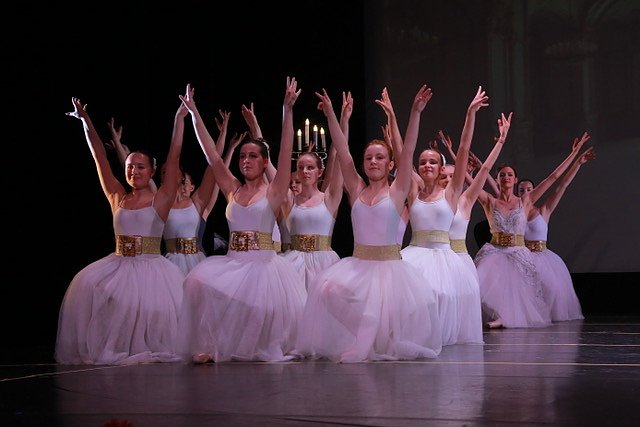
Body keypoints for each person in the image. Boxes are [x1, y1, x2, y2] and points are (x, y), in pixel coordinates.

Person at [296, 85, 442, 362]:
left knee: (375, 310)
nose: (373, 162)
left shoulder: (397, 191)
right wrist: (331, 115)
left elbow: (408, 150)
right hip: (359, 264)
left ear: (390, 165)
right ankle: (370, 337)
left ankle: (369, 342)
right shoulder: (356, 189)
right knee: (325, 289)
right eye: (369, 158)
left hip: (388, 269)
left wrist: (415, 113)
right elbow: (342, 150)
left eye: (380, 157)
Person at [177, 78, 306, 363]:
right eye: (243, 156)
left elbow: (285, 152)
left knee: (259, 316)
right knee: (196, 282)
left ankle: (254, 345)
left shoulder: (273, 192)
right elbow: (212, 156)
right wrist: (194, 113)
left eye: (253, 156)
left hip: (263, 265)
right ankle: (210, 345)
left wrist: (287, 111)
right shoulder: (232, 190)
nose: (246, 160)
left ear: (264, 161)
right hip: (234, 261)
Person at [55, 96, 186, 365]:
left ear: (152, 171)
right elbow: (100, 158)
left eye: (140, 167)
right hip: (119, 264)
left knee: (147, 314)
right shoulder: (117, 196)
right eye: (129, 167)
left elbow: (174, 156)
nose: (134, 171)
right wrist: (85, 121)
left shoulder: (161, 199)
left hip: (151, 268)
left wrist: (180, 119)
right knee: (86, 284)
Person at [399, 86, 488, 345]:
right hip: (415, 254)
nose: (427, 165)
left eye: (432, 162)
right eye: (422, 162)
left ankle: (435, 339)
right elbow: (404, 150)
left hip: (444, 258)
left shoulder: (451, 194)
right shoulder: (413, 191)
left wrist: (470, 114)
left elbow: (463, 149)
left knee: (441, 296)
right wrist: (413, 113)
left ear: (440, 168)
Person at [280, 91, 351, 290]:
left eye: (310, 167)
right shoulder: (290, 200)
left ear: (320, 172)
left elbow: (342, 155)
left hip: (325, 265)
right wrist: (287, 110)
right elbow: (283, 154)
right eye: (301, 167)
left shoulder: (329, 198)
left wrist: (341, 120)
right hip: (293, 265)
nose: (305, 171)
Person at [519, 144, 596, 321]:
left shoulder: (544, 210)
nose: (525, 193)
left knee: (550, 291)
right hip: (522, 257)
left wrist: (577, 163)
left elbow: (562, 186)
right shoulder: (514, 213)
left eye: (529, 189)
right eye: (521, 190)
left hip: (543, 258)